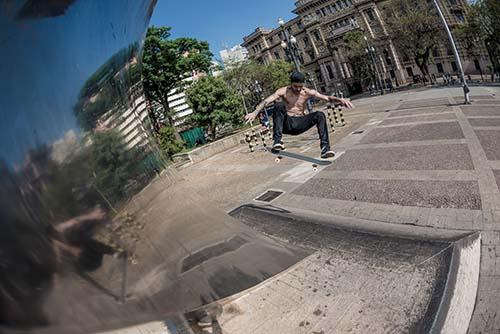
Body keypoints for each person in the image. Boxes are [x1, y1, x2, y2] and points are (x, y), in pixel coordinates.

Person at [244, 71, 354, 159]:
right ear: (291, 84)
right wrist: (255, 112)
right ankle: (277, 141)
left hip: (300, 123)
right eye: (295, 86)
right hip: (286, 125)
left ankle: (325, 148)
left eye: (300, 86)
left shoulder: (307, 92)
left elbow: (327, 98)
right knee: (279, 105)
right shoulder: (283, 91)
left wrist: (340, 100)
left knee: (320, 115)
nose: (297, 89)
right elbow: (267, 101)